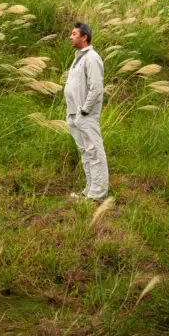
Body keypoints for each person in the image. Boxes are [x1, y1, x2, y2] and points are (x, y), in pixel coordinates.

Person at [64, 21, 108, 202]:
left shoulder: (92, 58)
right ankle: (89, 191)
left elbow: (96, 87)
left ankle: (97, 195)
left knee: (94, 152)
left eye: (74, 34)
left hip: (85, 115)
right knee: (85, 152)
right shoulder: (79, 57)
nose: (70, 36)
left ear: (84, 37)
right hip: (75, 114)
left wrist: (84, 110)